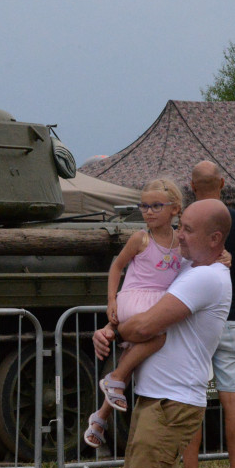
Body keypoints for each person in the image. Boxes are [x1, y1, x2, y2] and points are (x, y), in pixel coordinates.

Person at [92, 199, 233, 468]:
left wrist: (116, 331)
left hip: (173, 400)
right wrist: (113, 326)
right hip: (158, 395)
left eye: (187, 229)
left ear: (214, 238)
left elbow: (148, 324)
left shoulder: (203, 277)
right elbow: (140, 299)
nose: (178, 235)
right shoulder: (196, 268)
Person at [175, 161, 235, 468]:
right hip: (231, 319)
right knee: (232, 396)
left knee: (193, 398)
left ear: (191, 186)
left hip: (198, 320)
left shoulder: (190, 222)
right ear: (223, 183)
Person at [84, 179, 185, 448]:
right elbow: (117, 267)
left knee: (133, 357)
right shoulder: (140, 239)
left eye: (156, 206)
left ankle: (100, 418)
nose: (148, 211)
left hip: (155, 303)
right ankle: (114, 378)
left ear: (175, 209)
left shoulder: (181, 242)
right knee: (159, 337)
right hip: (137, 299)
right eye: (144, 206)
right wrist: (111, 301)